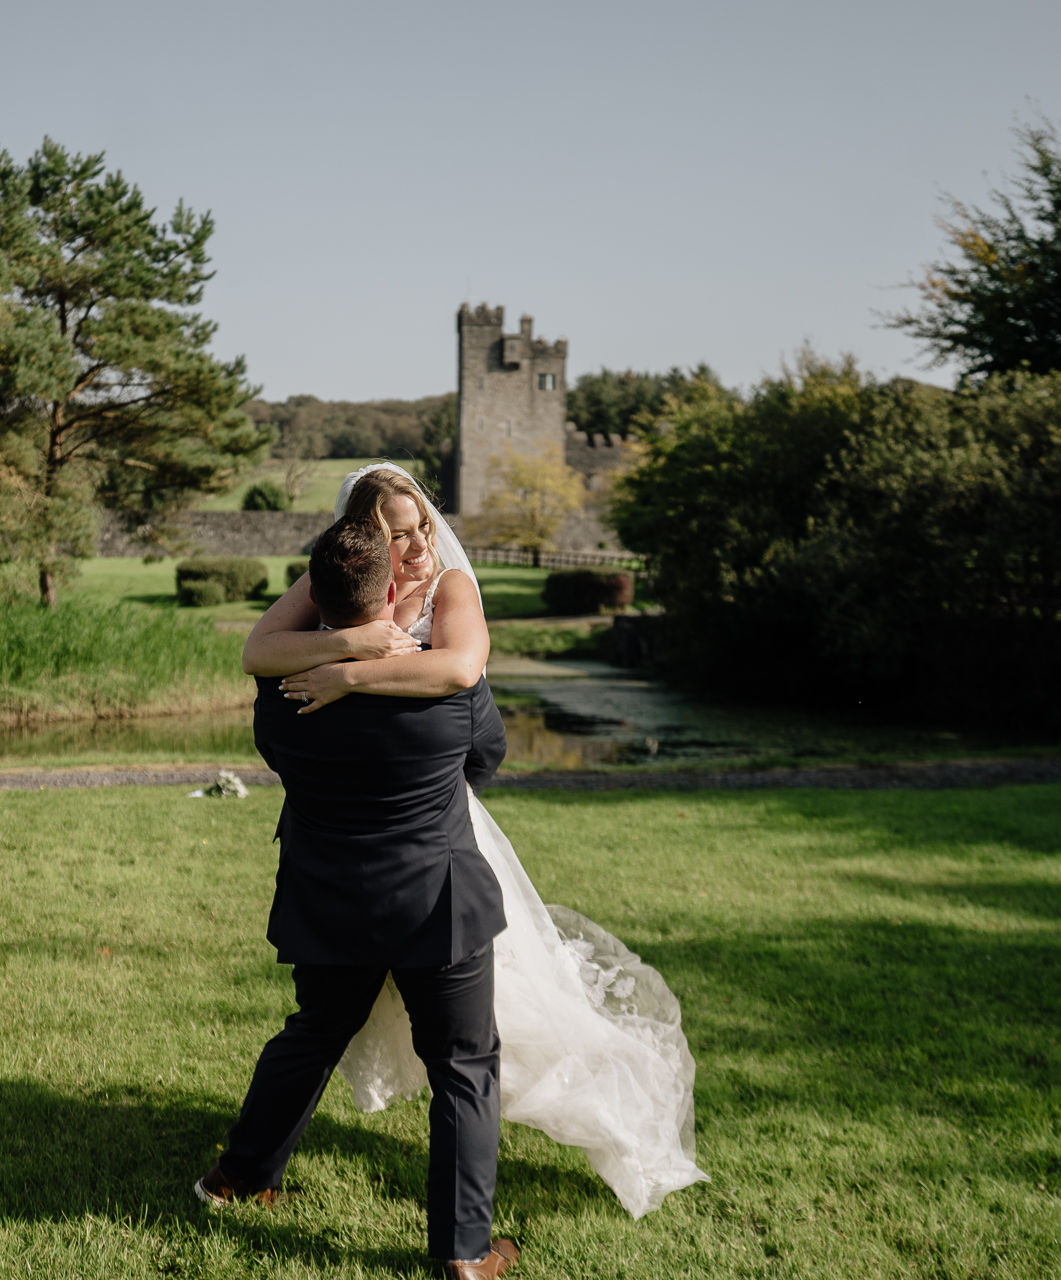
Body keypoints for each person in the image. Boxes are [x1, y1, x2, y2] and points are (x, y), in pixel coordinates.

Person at [245, 462, 708, 1220]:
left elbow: (460, 665)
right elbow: (259, 653)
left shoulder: (453, 589)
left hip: (381, 846)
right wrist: (360, 641)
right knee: (447, 1053)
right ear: (364, 541)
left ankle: (239, 1173)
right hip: (424, 862)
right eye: (400, 535)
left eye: (424, 525)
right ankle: (461, 1245)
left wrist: (353, 676)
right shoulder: (340, 578)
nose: (422, 546)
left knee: (347, 1025)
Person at [198, 517, 521, 1280]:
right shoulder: (445, 686)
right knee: (464, 1067)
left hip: (329, 893)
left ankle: (238, 1178)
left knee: (313, 1031)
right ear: (387, 591)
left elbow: (278, 753)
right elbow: (489, 754)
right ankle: (464, 1255)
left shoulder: (281, 694)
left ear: (314, 595)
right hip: (436, 898)